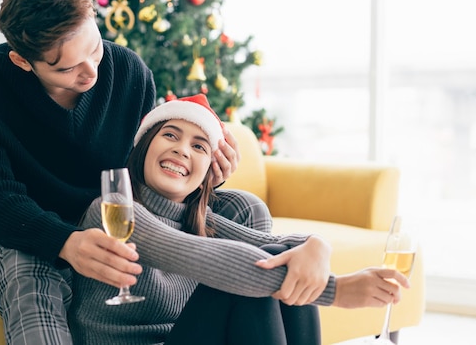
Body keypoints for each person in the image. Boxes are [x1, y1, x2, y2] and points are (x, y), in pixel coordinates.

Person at [0, 0, 270, 345]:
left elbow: (143, 168)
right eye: (67, 68)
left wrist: (207, 174)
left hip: (117, 210)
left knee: (244, 208)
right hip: (30, 222)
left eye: (95, 49)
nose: (92, 72)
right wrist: (65, 241)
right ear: (22, 61)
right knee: (27, 275)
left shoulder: (128, 70)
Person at [68, 94, 410, 345]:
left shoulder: (200, 221)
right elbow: (214, 259)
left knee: (286, 269)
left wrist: (316, 246)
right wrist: (337, 291)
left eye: (200, 146)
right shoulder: (112, 210)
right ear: (143, 146)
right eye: (170, 135)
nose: (182, 150)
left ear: (207, 173)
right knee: (247, 283)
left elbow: (276, 248)